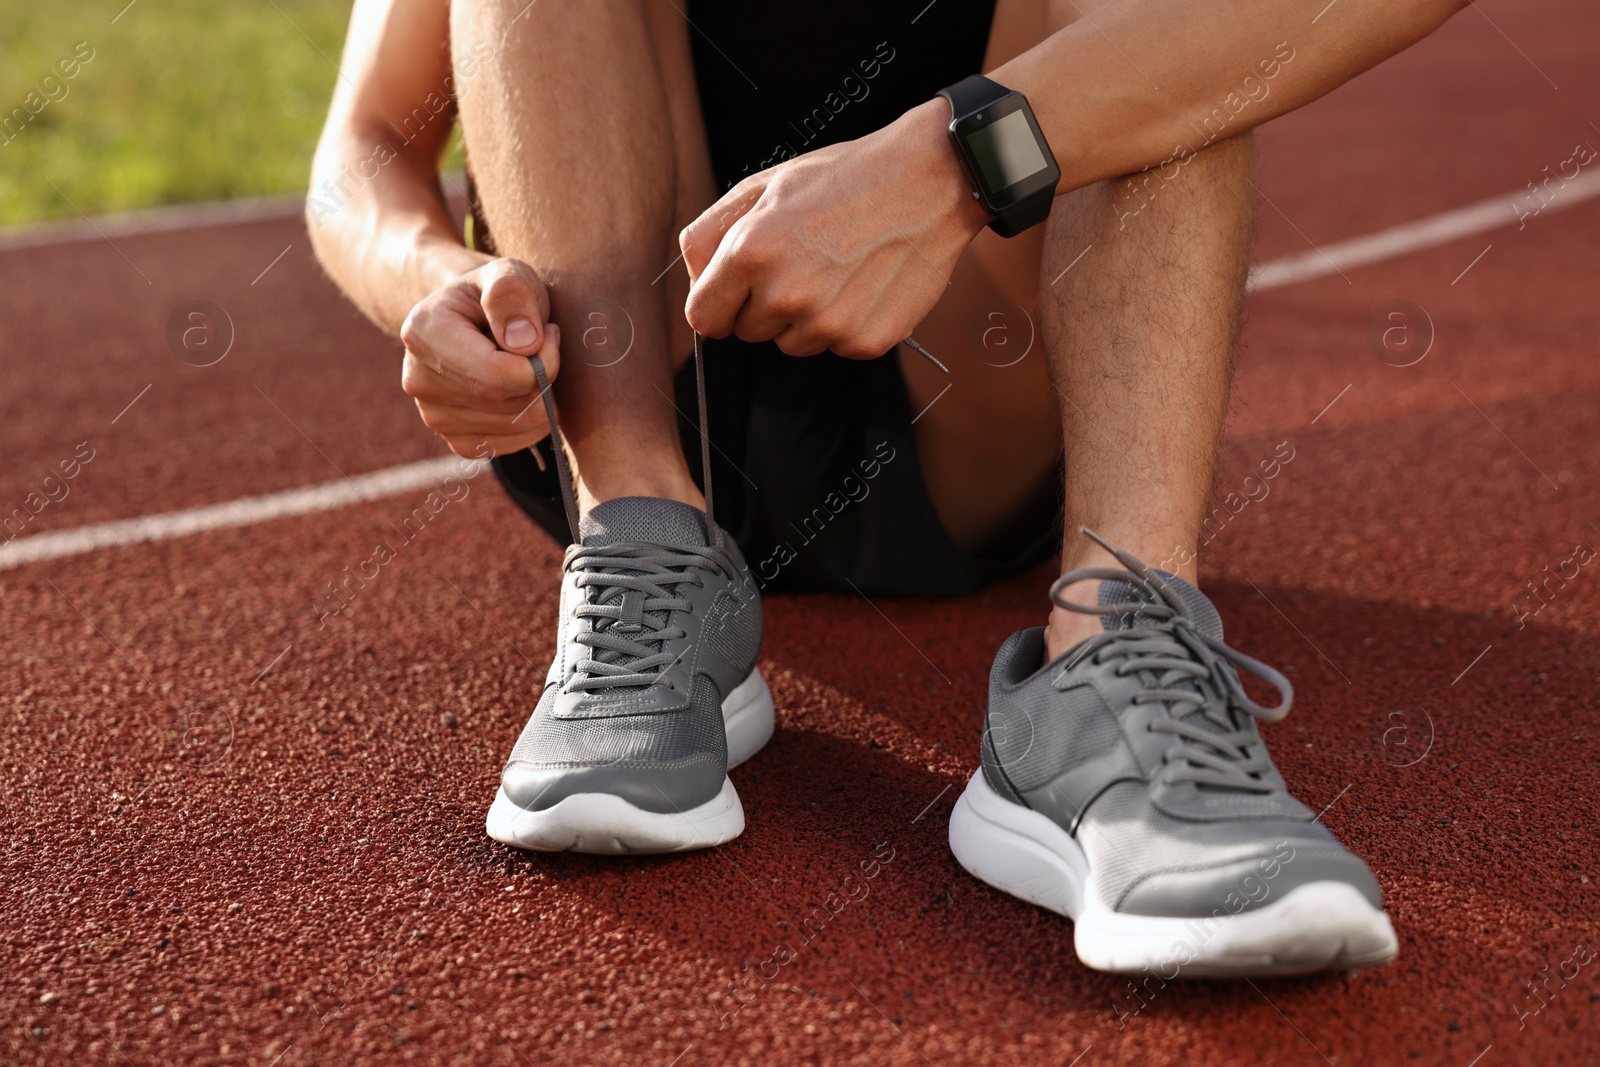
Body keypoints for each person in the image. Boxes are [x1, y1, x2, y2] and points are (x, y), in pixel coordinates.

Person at [308, 0, 1466, 977]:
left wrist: (954, 165)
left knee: (1172, 30)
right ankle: (644, 547)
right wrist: (437, 277)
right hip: (619, 382)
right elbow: (363, 147)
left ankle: (1113, 645)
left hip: (976, 387)